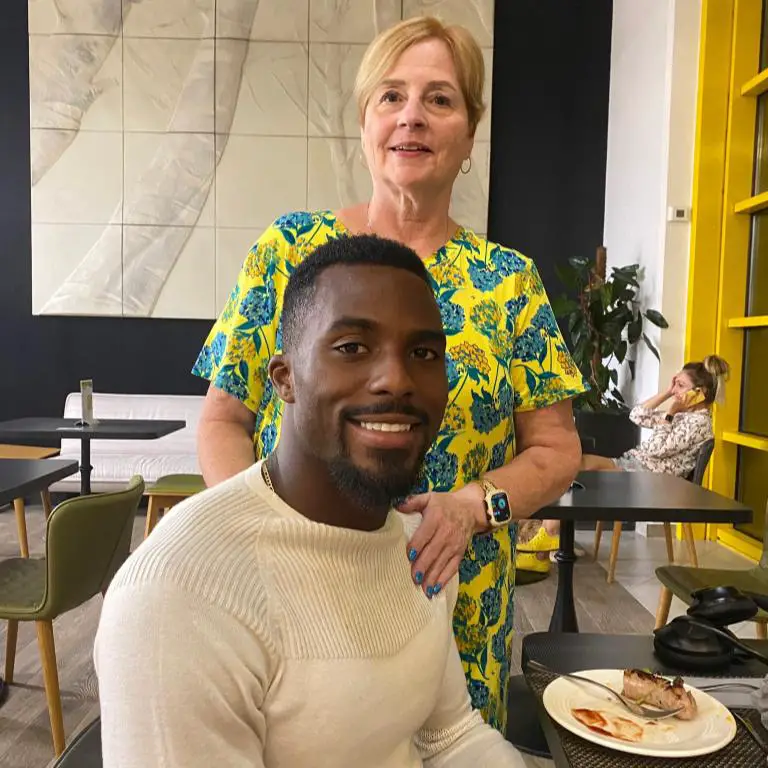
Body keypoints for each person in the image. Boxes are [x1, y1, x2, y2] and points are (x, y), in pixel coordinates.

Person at [191, 16, 586, 730]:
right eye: (391, 95)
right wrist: (259, 533)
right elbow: (225, 418)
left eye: (440, 99)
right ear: (365, 121)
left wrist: (474, 505)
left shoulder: (508, 283)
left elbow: (558, 450)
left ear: (469, 134)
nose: (412, 114)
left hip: (454, 598)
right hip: (300, 587)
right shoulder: (288, 251)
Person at [95, 236, 527, 768]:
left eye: (423, 353)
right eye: (351, 347)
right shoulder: (178, 595)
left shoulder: (420, 548)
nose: (396, 378)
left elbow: (451, 737)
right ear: (285, 378)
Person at [517, 355, 730, 574]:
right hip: (635, 465)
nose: (676, 391)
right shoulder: (683, 416)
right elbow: (636, 416)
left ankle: (547, 538)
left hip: (652, 479)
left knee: (577, 468)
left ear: (700, 393)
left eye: (681, 386)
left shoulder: (698, 423)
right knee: (574, 464)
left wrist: (669, 414)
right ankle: (551, 537)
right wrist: (667, 393)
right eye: (675, 384)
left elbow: (657, 450)